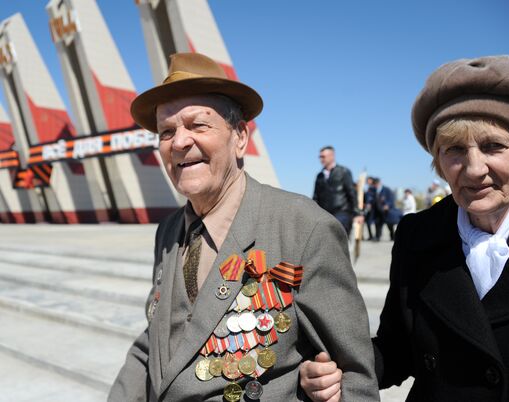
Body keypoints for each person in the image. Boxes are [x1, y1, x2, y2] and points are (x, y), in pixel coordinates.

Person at [108, 53, 379, 402]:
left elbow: (354, 377)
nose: (179, 142)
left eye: (198, 125)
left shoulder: (303, 227)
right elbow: (155, 343)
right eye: (166, 132)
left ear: (239, 137)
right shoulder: (168, 231)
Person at [299, 55, 509, 402]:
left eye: (494, 146)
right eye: (455, 150)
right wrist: (340, 371)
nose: (474, 169)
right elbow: (397, 350)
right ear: (439, 162)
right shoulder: (417, 235)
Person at [312, 146, 362, 235]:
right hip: (325, 214)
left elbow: (351, 193)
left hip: (342, 213)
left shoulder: (343, 171)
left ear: (332, 156)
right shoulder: (319, 176)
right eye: (320, 157)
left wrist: (357, 213)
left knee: (339, 241)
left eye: (323, 156)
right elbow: (316, 197)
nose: (321, 159)